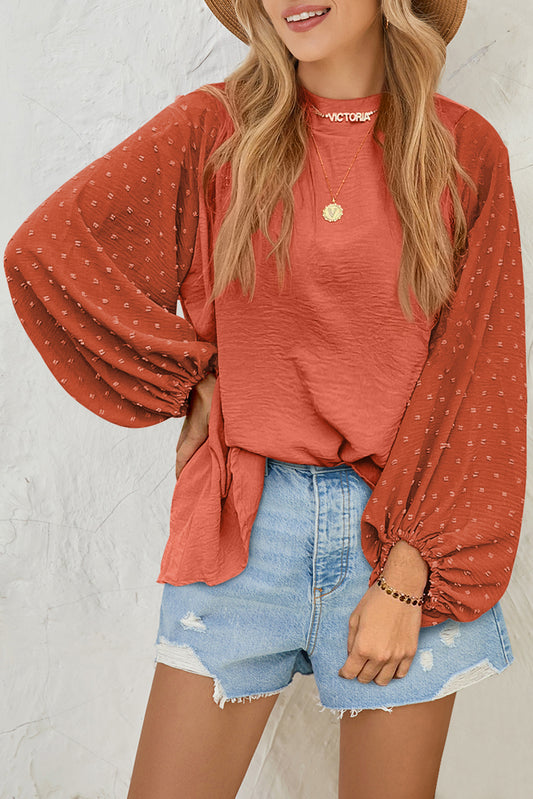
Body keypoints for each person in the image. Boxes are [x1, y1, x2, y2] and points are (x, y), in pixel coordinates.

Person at [3, 1, 526, 797]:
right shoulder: (213, 132)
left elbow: (479, 377)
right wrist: (192, 378)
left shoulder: (462, 154)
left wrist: (406, 574)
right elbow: (48, 252)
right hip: (239, 530)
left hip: (397, 542)